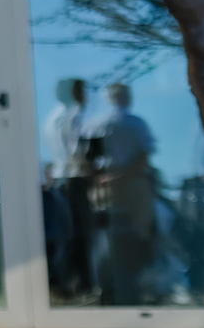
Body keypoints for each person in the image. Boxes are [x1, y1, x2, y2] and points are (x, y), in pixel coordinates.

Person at [91, 83, 159, 304]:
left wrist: (102, 178)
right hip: (133, 187)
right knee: (138, 236)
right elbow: (143, 157)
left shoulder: (96, 124)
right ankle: (134, 289)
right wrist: (122, 177)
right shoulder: (135, 123)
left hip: (104, 187)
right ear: (126, 97)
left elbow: (86, 159)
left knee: (105, 239)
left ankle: (106, 290)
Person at [42, 77, 95, 300]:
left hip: (61, 181)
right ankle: (81, 287)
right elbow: (76, 154)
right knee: (81, 236)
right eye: (81, 91)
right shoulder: (74, 116)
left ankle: (63, 285)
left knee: (68, 235)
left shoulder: (52, 118)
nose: (86, 96)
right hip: (75, 180)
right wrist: (95, 176)